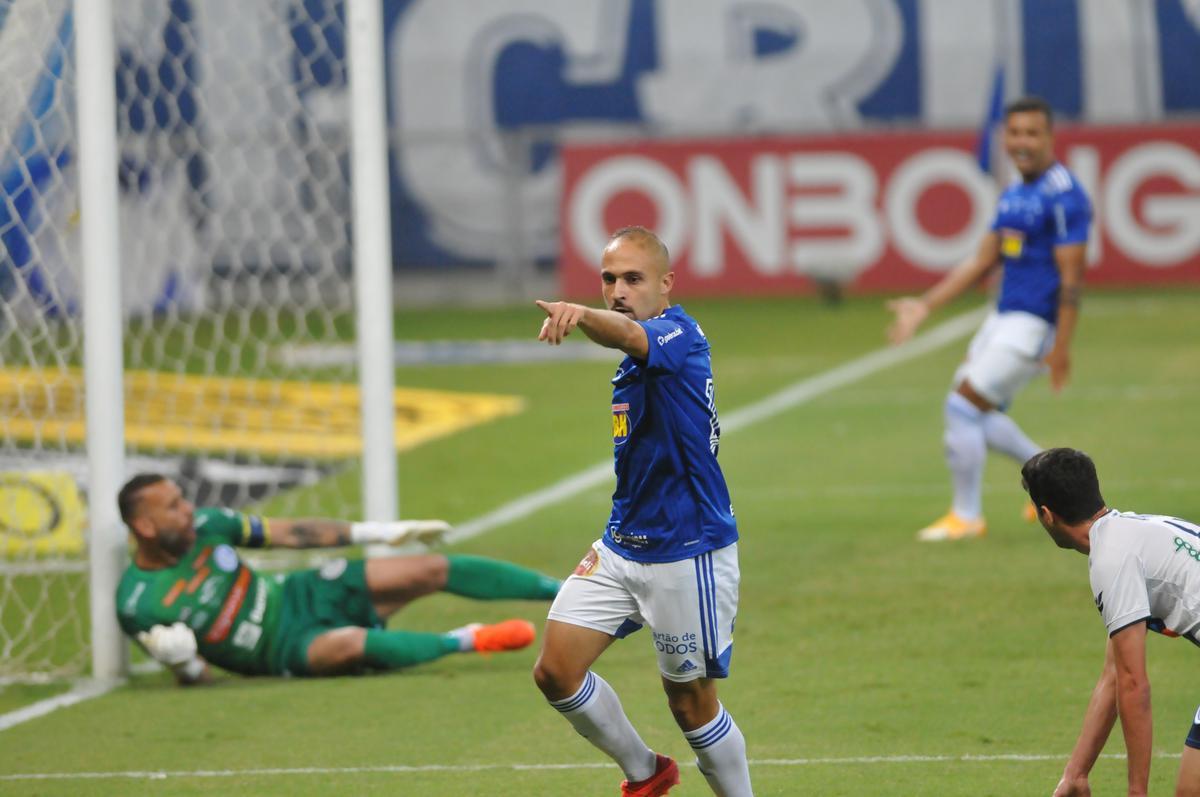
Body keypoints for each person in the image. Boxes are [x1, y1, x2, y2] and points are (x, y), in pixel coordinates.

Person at [531, 226, 752, 797]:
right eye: (609, 279)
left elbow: (628, 334)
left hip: (687, 549)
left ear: (665, 283)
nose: (619, 290)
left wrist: (580, 314)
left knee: (691, 704)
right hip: (623, 544)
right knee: (555, 671)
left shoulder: (678, 332)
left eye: (633, 278)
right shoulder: (631, 361)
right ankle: (647, 773)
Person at [116, 473, 562, 684]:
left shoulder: (209, 525)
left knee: (429, 569)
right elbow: (203, 681)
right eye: (173, 507)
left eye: (182, 499)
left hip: (300, 593)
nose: (188, 510)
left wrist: (378, 533)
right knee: (350, 643)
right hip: (279, 650)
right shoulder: (139, 604)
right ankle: (468, 639)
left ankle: (565, 591)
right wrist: (185, 666)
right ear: (147, 528)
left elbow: (292, 534)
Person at [887, 96, 1093, 542]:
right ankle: (1048, 480)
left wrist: (1061, 346)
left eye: (1032, 133)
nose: (1022, 142)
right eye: (1014, 132)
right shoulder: (1015, 193)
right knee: (976, 412)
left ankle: (966, 516)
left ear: (1049, 138)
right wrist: (924, 304)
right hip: (1001, 319)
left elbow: (1072, 277)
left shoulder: (1064, 195)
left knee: (962, 405)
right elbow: (981, 262)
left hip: (1032, 324)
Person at [1022, 447, 1200, 797]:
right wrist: (1076, 774)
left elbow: (1135, 684)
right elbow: (1116, 672)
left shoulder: (1111, 560)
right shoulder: (1132, 531)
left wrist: (1136, 792)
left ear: (1046, 515)